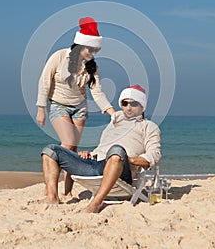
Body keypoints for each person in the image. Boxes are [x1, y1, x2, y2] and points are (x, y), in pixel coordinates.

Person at [41, 84, 161, 213]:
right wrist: (90, 154)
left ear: (142, 106)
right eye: (125, 103)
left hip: (121, 170)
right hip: (96, 165)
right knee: (51, 150)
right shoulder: (113, 124)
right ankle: (52, 197)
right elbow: (102, 148)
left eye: (134, 103)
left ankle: (96, 203)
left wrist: (129, 159)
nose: (129, 107)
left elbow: (154, 155)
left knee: (116, 151)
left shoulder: (149, 127)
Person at [36, 17, 115, 197]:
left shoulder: (92, 67)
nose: (93, 53)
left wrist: (111, 111)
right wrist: (41, 109)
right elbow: (45, 81)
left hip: (80, 109)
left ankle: (68, 191)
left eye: (96, 50)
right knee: (68, 144)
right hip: (58, 105)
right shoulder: (59, 56)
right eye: (91, 49)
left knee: (71, 151)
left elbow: (97, 92)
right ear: (80, 45)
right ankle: (50, 188)